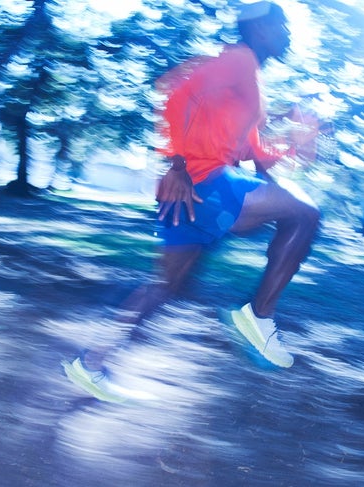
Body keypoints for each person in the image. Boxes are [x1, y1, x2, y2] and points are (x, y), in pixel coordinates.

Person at [63, 1, 321, 401]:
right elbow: (176, 94)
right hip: (202, 182)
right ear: (261, 29)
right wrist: (178, 162)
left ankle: (91, 365)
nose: (288, 34)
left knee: (164, 287)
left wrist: (296, 147)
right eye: (282, 25)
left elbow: (252, 152)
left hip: (187, 194)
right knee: (305, 214)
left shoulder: (247, 81)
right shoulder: (238, 60)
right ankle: (259, 316)